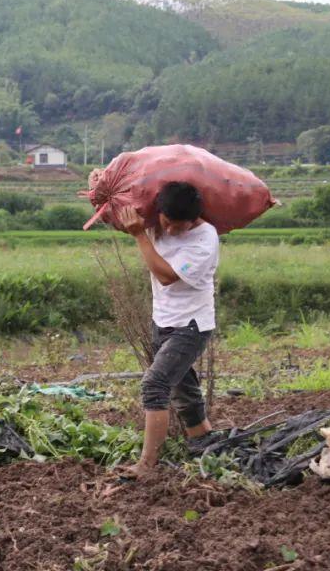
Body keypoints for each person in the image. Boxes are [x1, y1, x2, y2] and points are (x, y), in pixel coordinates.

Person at [117, 181, 218, 480]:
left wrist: (139, 235)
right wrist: (98, 181)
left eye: (179, 226)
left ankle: (147, 466)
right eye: (167, 222)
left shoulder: (205, 240)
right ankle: (205, 445)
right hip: (161, 321)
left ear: (194, 219)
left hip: (191, 326)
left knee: (155, 385)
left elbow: (165, 276)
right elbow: (116, 211)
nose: (172, 230)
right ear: (159, 211)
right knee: (183, 393)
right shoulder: (154, 222)